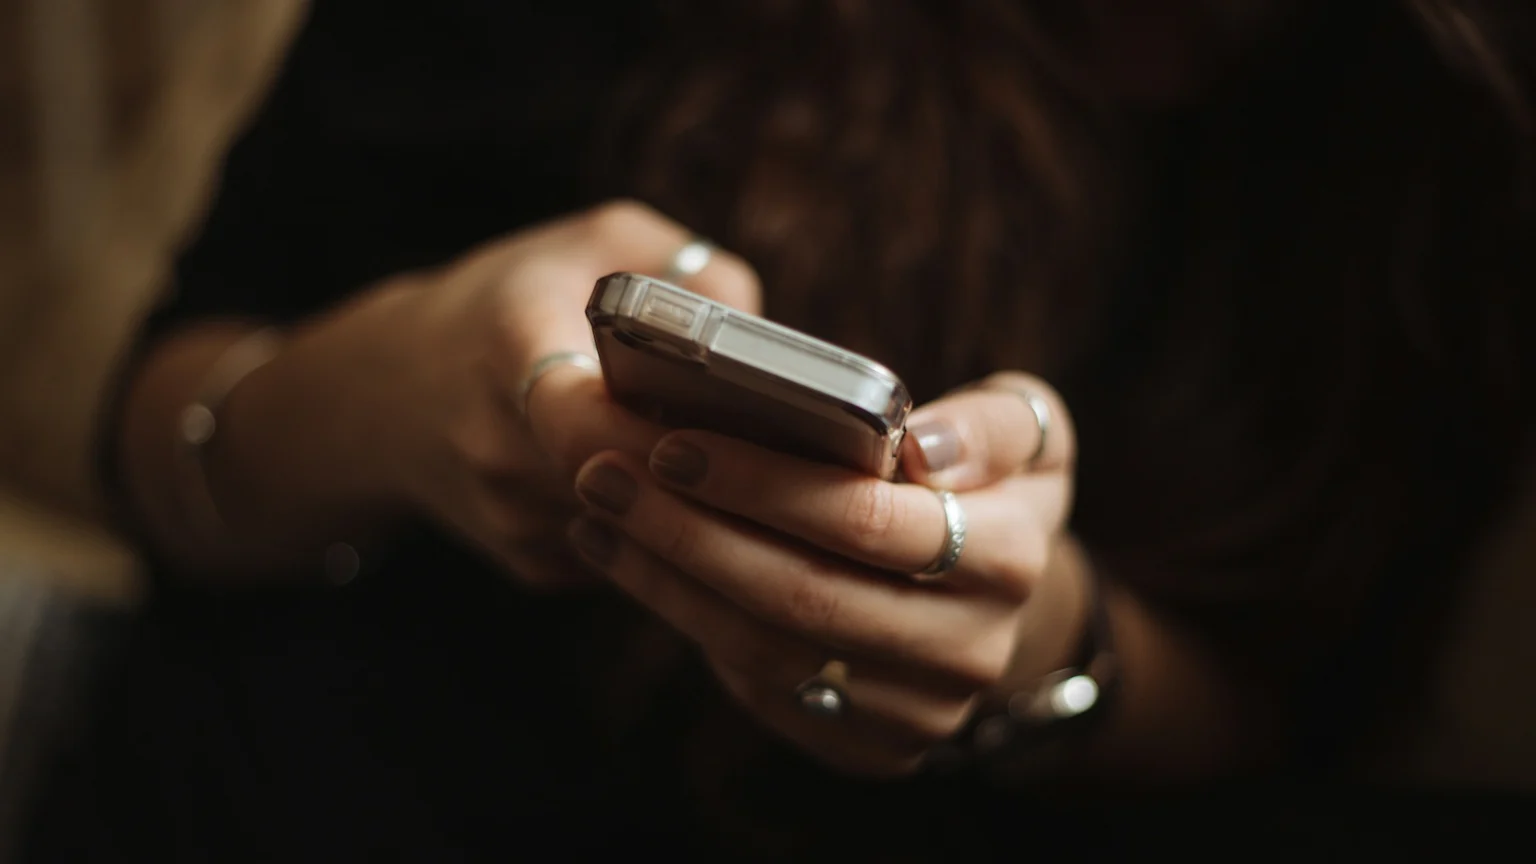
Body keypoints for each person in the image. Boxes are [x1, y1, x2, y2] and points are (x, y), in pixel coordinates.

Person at [88, 0, 1536, 858]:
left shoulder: (1456, 140)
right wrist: (407, 384)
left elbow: (1311, 735)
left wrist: (1041, 649)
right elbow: (156, 448)